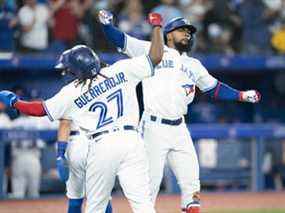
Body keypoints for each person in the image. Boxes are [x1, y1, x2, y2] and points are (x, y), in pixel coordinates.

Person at [98, 10, 261, 213]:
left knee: (192, 189)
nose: (187, 34)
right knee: (147, 194)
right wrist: (106, 25)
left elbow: (214, 88)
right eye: (181, 30)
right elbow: (121, 39)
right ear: (168, 34)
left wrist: (241, 95)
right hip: (153, 128)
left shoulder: (194, 65)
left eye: (189, 31)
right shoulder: (151, 50)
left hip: (180, 129)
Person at [0, 12, 164, 213]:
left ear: (76, 70)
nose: (67, 72)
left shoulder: (72, 91)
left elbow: (38, 109)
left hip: (103, 144)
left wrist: (15, 102)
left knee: (95, 207)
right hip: (133, 141)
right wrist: (157, 28)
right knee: (143, 205)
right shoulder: (121, 69)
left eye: (69, 69)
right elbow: (156, 56)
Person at [57, 119, 112, 213]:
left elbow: (65, 123)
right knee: (102, 197)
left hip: (76, 145)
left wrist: (60, 154)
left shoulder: (69, 103)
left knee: (75, 198)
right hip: (101, 141)